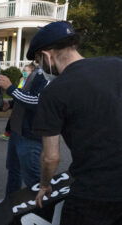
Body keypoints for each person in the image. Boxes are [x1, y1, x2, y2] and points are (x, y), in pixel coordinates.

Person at [30, 21, 122, 225]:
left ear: (46, 55)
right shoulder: (117, 65)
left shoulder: (53, 92)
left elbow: (50, 157)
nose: (40, 66)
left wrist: (45, 185)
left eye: (38, 60)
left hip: (93, 194)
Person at [0, 63, 49, 209]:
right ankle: (9, 204)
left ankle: (41, 211)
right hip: (17, 132)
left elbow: (37, 101)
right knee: (14, 170)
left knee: (32, 177)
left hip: (30, 136)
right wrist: (10, 103)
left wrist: (10, 87)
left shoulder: (48, 75)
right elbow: (26, 95)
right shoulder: (37, 72)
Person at [0, 64, 35, 141]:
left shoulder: (33, 82)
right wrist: (10, 103)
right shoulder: (22, 80)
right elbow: (18, 93)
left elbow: (26, 98)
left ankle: (8, 133)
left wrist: (10, 88)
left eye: (26, 70)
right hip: (17, 106)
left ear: (32, 72)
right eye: (23, 70)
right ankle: (8, 133)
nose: (23, 72)